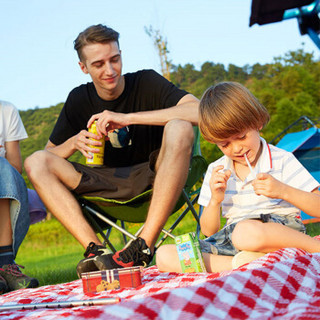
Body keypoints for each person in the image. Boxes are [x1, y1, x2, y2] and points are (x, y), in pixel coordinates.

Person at [25, 24, 199, 275]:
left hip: (155, 175)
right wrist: (74, 143)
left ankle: (143, 246)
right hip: (104, 182)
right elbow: (45, 158)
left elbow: (200, 111)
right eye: (98, 64)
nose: (110, 70)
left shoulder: (146, 81)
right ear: (83, 68)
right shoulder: (78, 99)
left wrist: (130, 118)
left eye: (115, 59)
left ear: (121, 55)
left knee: (180, 127)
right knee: (35, 162)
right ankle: (96, 251)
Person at [156, 82, 320, 273]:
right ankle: (243, 264)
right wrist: (215, 201)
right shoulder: (215, 170)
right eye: (225, 144)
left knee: (245, 233)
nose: (236, 148)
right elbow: (209, 231)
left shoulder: (281, 159)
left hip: (278, 232)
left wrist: (283, 190)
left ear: (257, 122)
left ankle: (314, 249)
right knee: (165, 255)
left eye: (241, 137)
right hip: (232, 239)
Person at [0, 100, 39, 294]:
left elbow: (15, 167)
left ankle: (5, 263)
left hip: (9, 195)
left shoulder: (6, 110)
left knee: (1, 165)